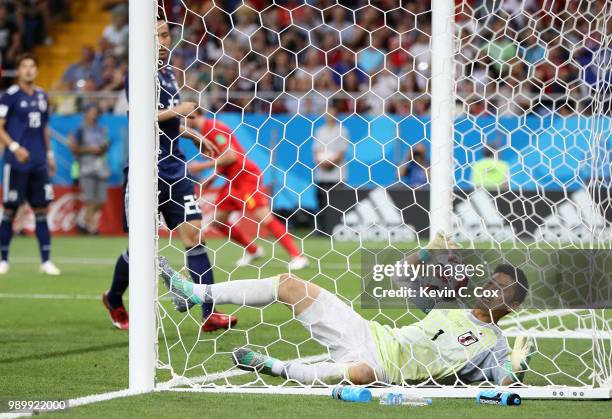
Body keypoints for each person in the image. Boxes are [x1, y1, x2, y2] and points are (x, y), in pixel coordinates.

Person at [159, 232, 533, 387]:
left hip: (388, 371)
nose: (489, 288)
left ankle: (272, 366)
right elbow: (401, 273)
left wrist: (516, 368)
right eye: (490, 281)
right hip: (367, 333)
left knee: (361, 373)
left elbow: (502, 388)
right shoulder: (451, 303)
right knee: (291, 284)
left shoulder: (495, 343)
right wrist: (425, 251)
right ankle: (194, 291)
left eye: (500, 289)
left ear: (512, 306)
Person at [102, 18, 237, 332]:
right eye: (159, 35)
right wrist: (180, 110)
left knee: (194, 235)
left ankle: (209, 312)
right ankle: (113, 297)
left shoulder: (169, 73)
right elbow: (140, 116)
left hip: (176, 167)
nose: (165, 40)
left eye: (166, 35)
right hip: (146, 169)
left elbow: (167, 121)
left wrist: (190, 134)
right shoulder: (138, 74)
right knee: (141, 247)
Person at [187, 116, 309, 270]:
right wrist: (211, 178)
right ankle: (253, 250)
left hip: (245, 178)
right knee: (218, 221)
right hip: (233, 181)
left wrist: (202, 166)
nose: (181, 120)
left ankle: (298, 256)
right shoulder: (205, 130)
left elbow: (231, 156)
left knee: (264, 217)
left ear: (192, 112)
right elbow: (226, 159)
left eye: (182, 115)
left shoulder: (212, 127)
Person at [0, 53, 60, 275]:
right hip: (15, 163)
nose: (28, 70)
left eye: (31, 66)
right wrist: (15, 148)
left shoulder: (42, 96)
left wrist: (50, 155)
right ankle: (3, 260)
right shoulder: (9, 96)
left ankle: (46, 261)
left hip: (38, 163)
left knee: (41, 210)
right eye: (24, 66)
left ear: (36, 70)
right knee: (10, 210)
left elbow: (44, 128)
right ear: (18, 71)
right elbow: (0, 126)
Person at [69, 104, 110, 235]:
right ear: (86, 113)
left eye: (96, 112)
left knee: (101, 200)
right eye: (91, 112)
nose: (94, 115)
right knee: (90, 199)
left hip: (100, 167)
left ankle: (83, 221)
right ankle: (91, 227)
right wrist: (90, 149)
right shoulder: (79, 130)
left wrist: (103, 147)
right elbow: (74, 149)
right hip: (86, 167)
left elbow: (104, 147)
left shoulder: (101, 129)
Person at [312, 104, 349, 235]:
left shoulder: (342, 131)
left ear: (336, 113)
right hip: (321, 174)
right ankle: (321, 229)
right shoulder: (319, 131)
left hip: (337, 174)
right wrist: (321, 162)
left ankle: (336, 229)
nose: (329, 115)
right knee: (321, 201)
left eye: (332, 111)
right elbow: (316, 150)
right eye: (327, 112)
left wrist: (330, 163)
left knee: (336, 202)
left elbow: (342, 152)